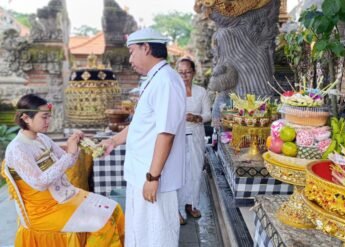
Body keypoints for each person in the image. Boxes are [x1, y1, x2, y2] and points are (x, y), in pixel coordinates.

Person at [100, 28, 186, 246]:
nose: (130, 59)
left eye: (132, 52)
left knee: (156, 236)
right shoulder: (154, 78)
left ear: (146, 48)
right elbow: (140, 124)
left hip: (153, 177)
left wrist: (153, 178)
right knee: (141, 233)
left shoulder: (166, 81)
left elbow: (166, 134)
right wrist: (113, 141)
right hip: (142, 174)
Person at [1, 94, 124, 247]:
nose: (48, 121)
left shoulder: (42, 138)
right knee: (102, 223)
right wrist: (70, 154)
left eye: (49, 117)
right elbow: (39, 183)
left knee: (115, 210)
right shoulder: (18, 148)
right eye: (44, 117)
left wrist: (74, 144)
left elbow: (68, 162)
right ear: (26, 118)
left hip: (63, 195)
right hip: (42, 210)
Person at [176, 58, 211, 225]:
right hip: (177, 137)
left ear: (194, 73)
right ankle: (176, 209)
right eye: (180, 72)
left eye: (187, 72)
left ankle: (192, 205)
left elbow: (208, 115)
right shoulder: (173, 91)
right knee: (179, 172)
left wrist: (196, 117)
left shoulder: (201, 91)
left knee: (195, 171)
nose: (184, 76)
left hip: (196, 135)